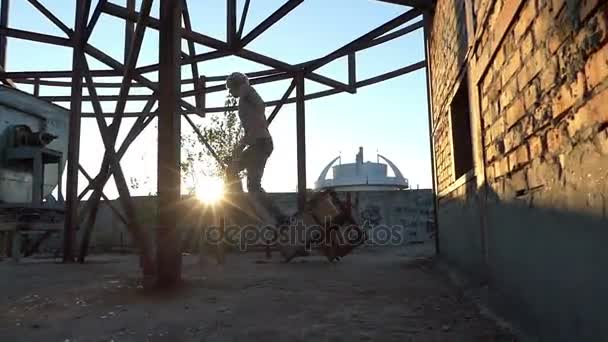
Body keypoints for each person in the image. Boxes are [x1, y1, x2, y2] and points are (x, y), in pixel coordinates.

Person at [224, 72, 287, 224]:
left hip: (260, 144)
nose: (230, 92)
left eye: (230, 89)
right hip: (258, 143)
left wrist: (245, 88)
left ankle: (278, 217)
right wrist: (237, 152)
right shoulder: (245, 99)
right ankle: (240, 205)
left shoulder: (246, 93)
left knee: (253, 186)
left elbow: (259, 107)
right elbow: (252, 126)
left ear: (236, 85)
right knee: (232, 170)